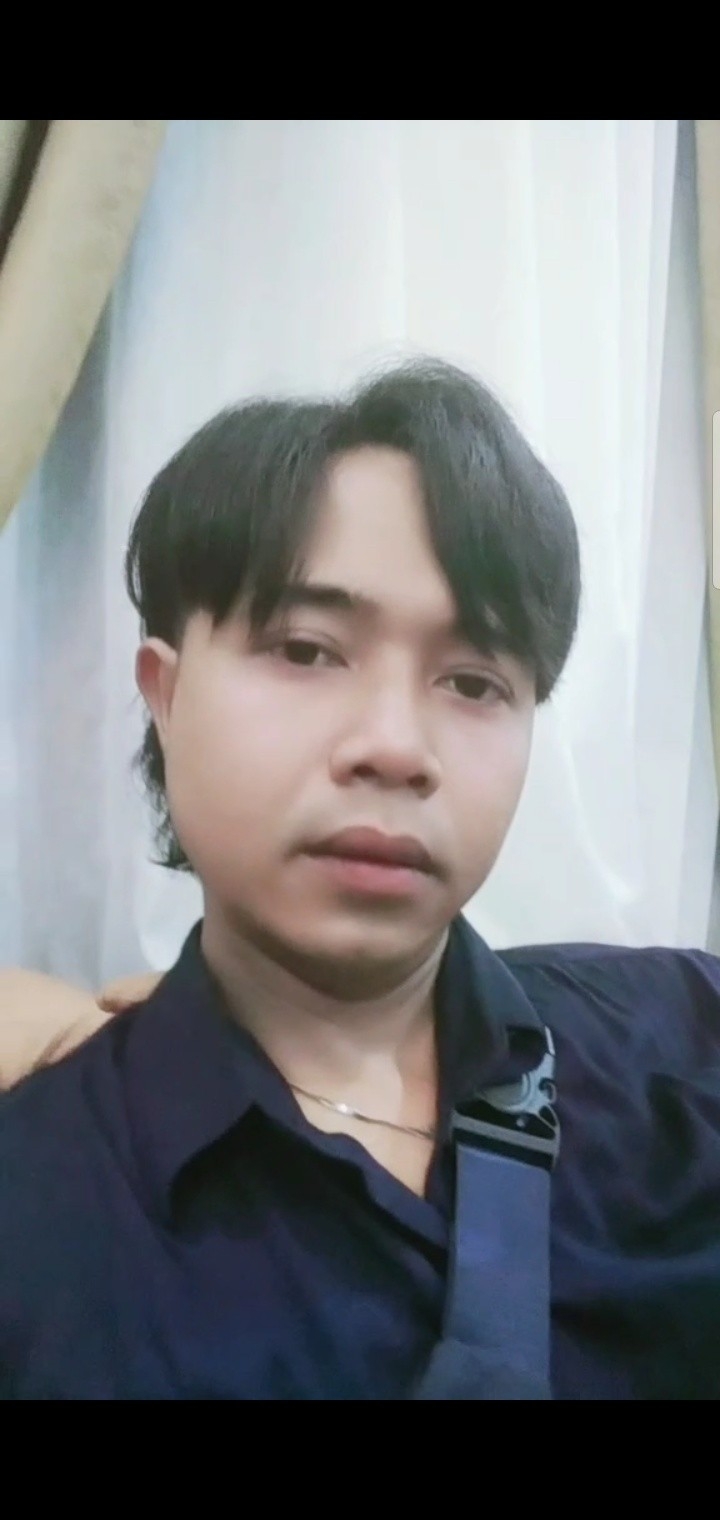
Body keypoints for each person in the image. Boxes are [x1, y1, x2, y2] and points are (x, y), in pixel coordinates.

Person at [1, 358, 719, 1400]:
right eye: (306, 650)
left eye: (472, 680)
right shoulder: (38, 1211)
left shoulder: (681, 1047)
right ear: (165, 692)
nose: (394, 746)